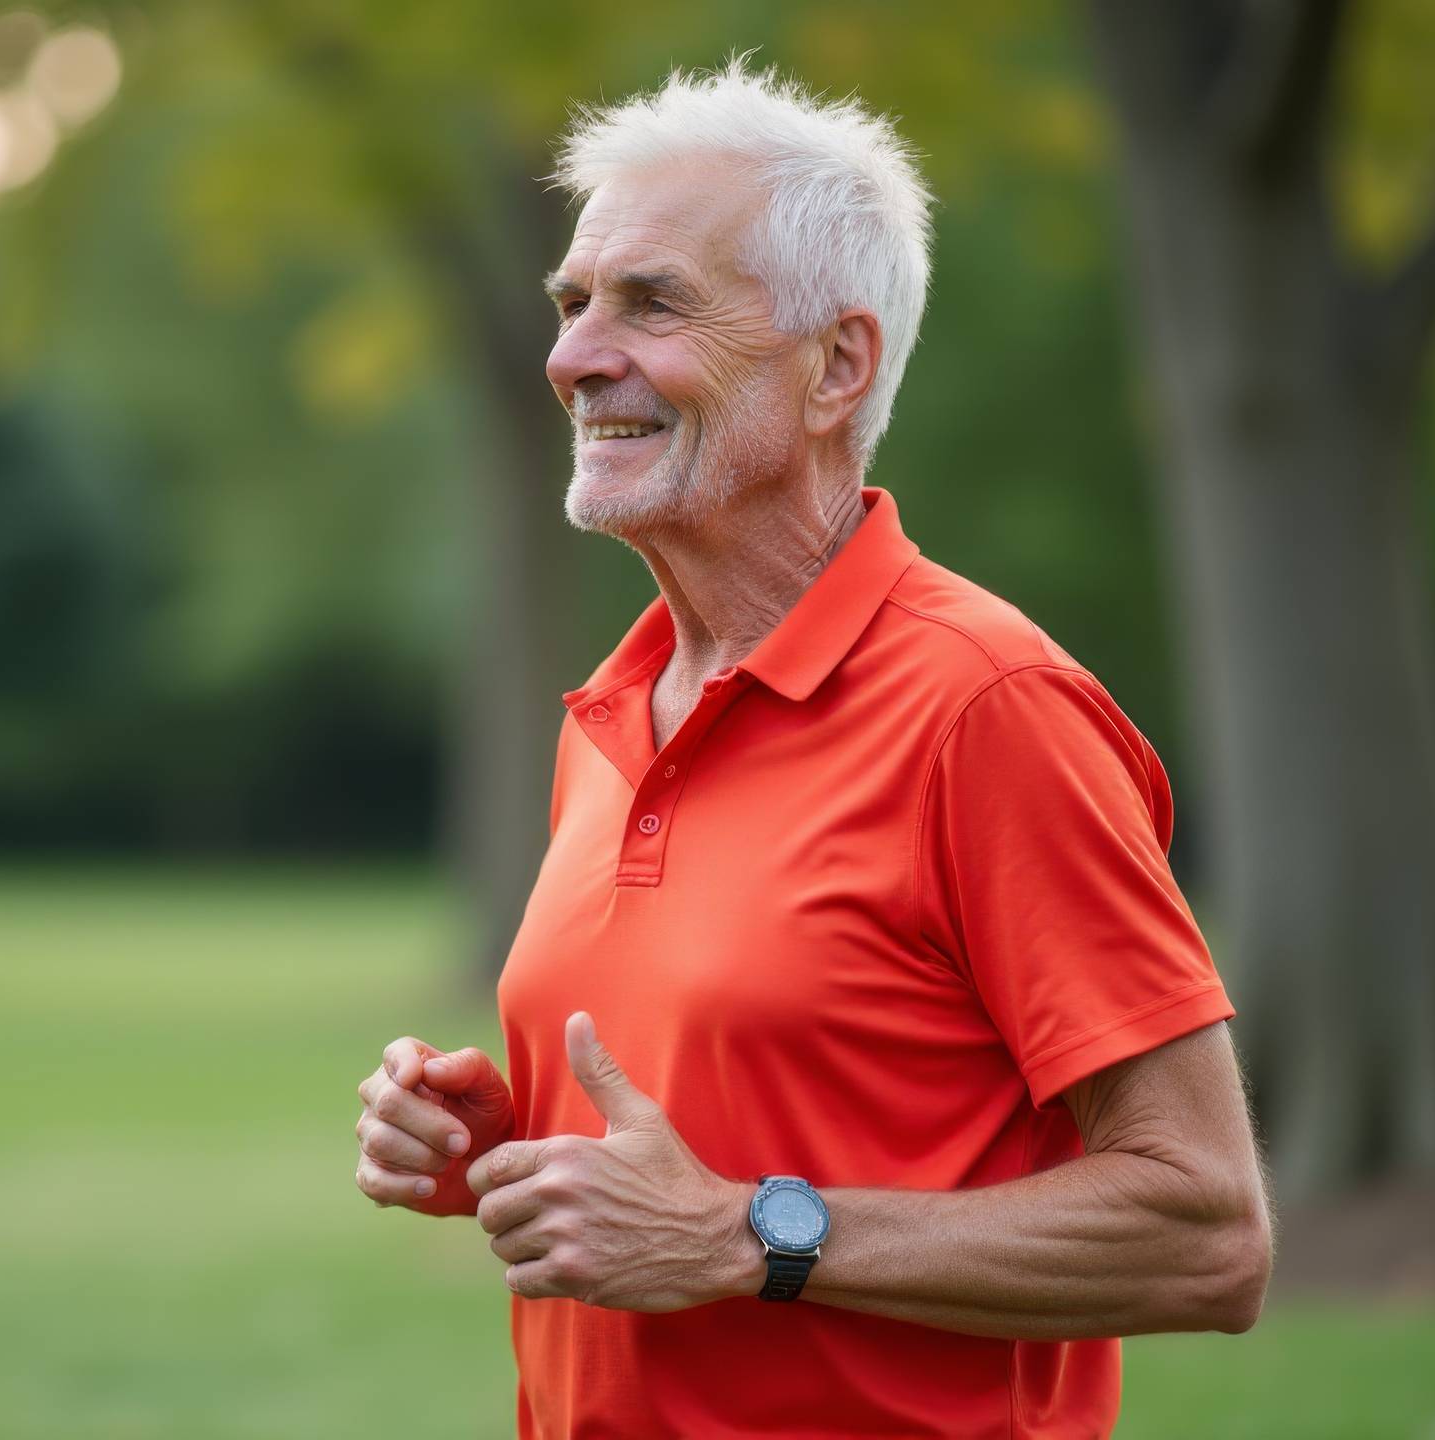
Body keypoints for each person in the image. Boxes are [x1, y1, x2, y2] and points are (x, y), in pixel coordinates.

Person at [352, 61, 1272, 1438]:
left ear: (835, 366)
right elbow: (706, 1148)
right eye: (572, 302)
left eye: (651, 301)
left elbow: (1206, 1231)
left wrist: (751, 1237)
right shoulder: (615, 713)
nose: (573, 354)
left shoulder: (990, 707)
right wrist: (498, 1150)